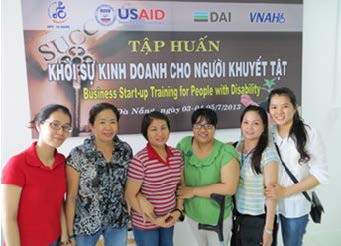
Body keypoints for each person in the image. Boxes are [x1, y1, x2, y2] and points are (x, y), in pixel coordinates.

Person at [1, 104, 72, 246]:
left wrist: (64, 237)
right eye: (55, 125)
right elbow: (8, 218)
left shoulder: (62, 162)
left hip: (55, 239)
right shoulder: (17, 164)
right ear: (39, 125)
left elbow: (58, 202)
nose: (61, 131)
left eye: (66, 127)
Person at [265, 87, 328, 246]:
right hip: (267, 205)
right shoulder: (267, 133)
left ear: (295, 108)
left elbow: (320, 174)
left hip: (296, 206)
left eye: (285, 106)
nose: (279, 111)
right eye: (274, 107)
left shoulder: (308, 133)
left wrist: (285, 191)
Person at [65, 102, 132, 246]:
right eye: (102, 122)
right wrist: (69, 234)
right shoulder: (79, 154)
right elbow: (71, 197)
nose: (108, 127)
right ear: (92, 125)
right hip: (86, 224)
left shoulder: (125, 150)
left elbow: (128, 187)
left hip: (117, 221)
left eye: (112, 122)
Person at [177, 108, 239, 246]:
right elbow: (178, 174)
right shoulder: (184, 144)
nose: (203, 130)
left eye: (208, 126)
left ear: (215, 128)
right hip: (193, 215)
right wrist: (179, 206)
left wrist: (192, 191)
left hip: (218, 219)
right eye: (198, 125)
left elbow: (229, 188)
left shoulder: (225, 152)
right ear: (192, 127)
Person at [125, 111, 184, 246]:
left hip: (169, 218)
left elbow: (180, 187)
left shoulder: (177, 155)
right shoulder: (140, 160)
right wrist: (154, 219)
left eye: (163, 128)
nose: (160, 133)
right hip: (145, 224)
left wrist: (178, 211)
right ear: (146, 133)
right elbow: (130, 195)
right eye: (154, 129)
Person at [232, 105, 279, 246]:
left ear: (264, 127)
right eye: (246, 122)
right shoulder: (235, 148)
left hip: (259, 221)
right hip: (239, 219)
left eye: (256, 123)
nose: (249, 127)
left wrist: (268, 231)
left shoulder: (267, 155)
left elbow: (272, 196)